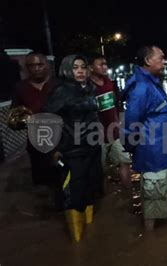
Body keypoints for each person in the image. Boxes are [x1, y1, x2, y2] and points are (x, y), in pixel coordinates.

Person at [43, 55, 103, 242]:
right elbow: (46, 120)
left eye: (83, 67)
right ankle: (77, 242)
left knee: (91, 187)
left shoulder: (90, 89)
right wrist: (53, 150)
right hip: (71, 151)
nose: (80, 71)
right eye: (75, 67)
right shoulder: (60, 91)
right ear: (67, 69)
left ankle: (90, 236)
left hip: (92, 147)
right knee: (73, 193)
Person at [122, 45, 167, 231]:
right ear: (148, 60)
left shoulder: (150, 83)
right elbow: (131, 124)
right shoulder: (142, 88)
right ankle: (150, 244)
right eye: (161, 58)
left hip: (161, 152)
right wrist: (134, 149)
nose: (164, 62)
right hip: (153, 155)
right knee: (153, 201)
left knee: (158, 199)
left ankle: (155, 242)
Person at [10, 52, 60, 187]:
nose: (36, 68)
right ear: (27, 68)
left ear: (47, 65)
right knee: (41, 185)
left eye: (40, 64)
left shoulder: (59, 84)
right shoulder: (20, 87)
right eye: (32, 65)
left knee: (63, 181)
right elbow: (14, 116)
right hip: (36, 145)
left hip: (61, 143)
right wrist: (28, 120)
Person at [89, 54, 132, 189]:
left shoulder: (109, 82)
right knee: (100, 169)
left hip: (114, 133)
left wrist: (120, 124)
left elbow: (117, 105)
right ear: (91, 67)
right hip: (97, 136)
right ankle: (102, 198)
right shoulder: (87, 87)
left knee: (125, 162)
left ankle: (128, 193)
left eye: (105, 64)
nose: (104, 67)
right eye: (100, 64)